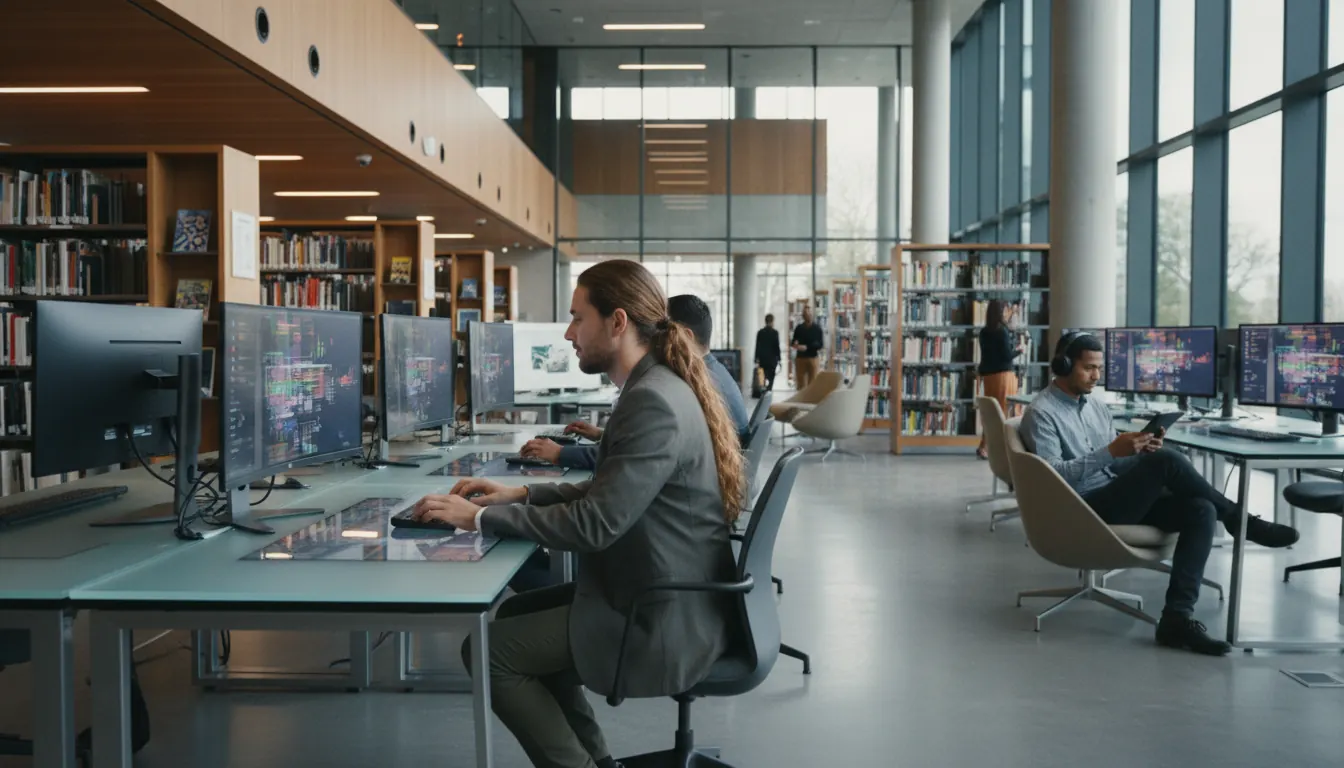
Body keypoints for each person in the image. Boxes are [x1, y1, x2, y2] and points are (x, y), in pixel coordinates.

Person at [410, 259, 745, 768]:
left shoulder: (652, 399)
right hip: (657, 587)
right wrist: (517, 496)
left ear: (617, 322)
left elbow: (596, 523)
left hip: (662, 613)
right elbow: (607, 492)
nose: (568, 333)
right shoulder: (654, 387)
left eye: (576, 318)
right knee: (519, 612)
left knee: (487, 652)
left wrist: (474, 519)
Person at [1021, 331, 1299, 656]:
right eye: (1088, 368)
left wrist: (1138, 450)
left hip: (1114, 495)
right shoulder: (1041, 412)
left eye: (1099, 368)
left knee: (1200, 508)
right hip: (1082, 506)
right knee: (1167, 462)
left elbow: (1116, 463)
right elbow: (1053, 477)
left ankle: (1176, 618)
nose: (1096, 376)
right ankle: (1242, 520)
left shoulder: (1096, 407)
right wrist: (1111, 451)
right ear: (1063, 365)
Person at [519, 293, 750, 468]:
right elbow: (650, 445)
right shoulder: (712, 373)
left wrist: (560, 454)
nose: (651, 343)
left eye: (660, 333)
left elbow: (625, 466)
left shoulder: (682, 387)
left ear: (686, 337)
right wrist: (604, 435)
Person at [977, 299, 1021, 459]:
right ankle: (1001, 448)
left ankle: (984, 446)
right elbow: (1007, 355)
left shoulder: (983, 332)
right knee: (1005, 411)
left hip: (988, 376)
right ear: (1000, 312)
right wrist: (1019, 351)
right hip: (1003, 375)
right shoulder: (1001, 331)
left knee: (991, 411)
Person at [791, 306, 824, 390]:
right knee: (800, 383)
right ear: (803, 316)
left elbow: (820, 344)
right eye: (805, 314)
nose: (807, 316)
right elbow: (793, 342)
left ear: (812, 315)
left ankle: (810, 400)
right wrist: (795, 344)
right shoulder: (799, 328)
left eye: (809, 314)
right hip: (800, 358)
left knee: (812, 383)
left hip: (812, 358)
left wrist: (807, 347)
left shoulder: (817, 329)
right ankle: (801, 400)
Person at [754, 313, 781, 392]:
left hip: (763, 359)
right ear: (772, 321)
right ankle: (769, 390)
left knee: (763, 376)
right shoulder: (775, 333)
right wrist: (779, 359)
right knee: (771, 377)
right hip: (772, 360)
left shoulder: (760, 333)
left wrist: (756, 358)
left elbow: (757, 346)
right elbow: (777, 347)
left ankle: (763, 390)